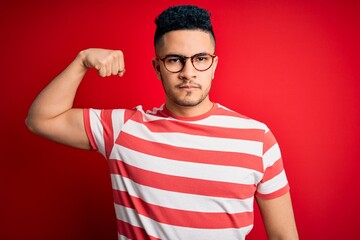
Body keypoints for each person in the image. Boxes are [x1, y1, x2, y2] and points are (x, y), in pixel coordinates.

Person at [26, 5, 299, 240]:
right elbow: (40, 119)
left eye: (200, 59)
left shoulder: (257, 139)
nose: (188, 73)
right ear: (158, 68)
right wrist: (82, 61)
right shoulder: (123, 128)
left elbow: (284, 235)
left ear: (214, 65)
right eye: (175, 60)